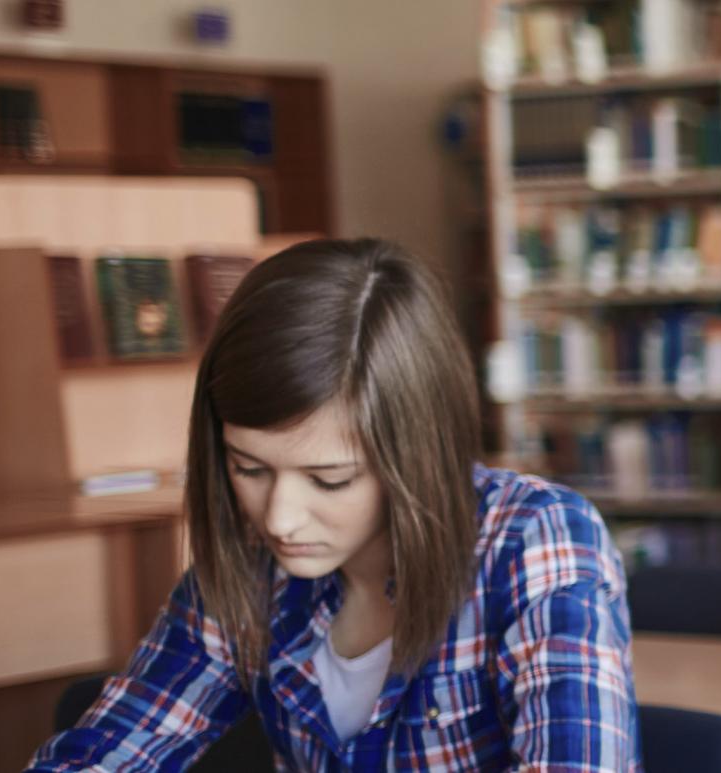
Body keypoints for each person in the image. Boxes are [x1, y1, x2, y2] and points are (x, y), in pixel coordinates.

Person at [33, 239, 639, 770]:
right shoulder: (249, 561)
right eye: (249, 468)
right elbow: (120, 743)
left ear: (415, 454)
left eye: (329, 480)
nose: (279, 518)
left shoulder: (535, 539)